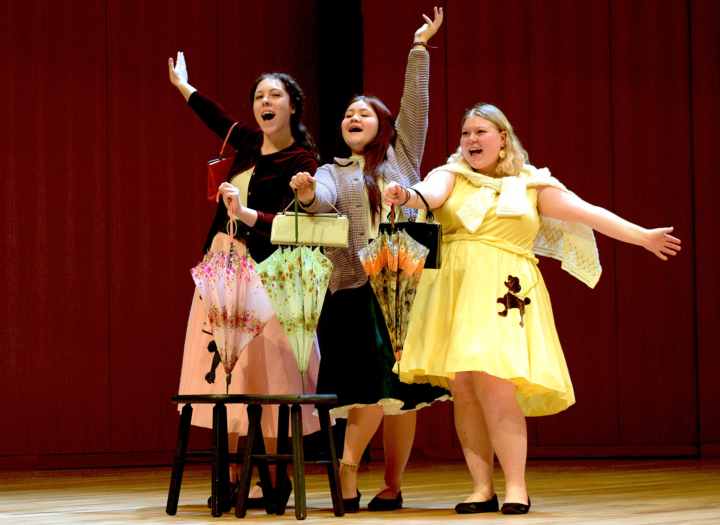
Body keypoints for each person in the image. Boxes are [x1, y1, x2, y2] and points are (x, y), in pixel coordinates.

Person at [383, 102, 681, 515]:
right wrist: (406, 195)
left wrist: (642, 236)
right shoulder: (450, 175)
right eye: (466, 133)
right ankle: (481, 488)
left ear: (503, 138)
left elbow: (590, 213)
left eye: (481, 132)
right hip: (453, 290)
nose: (471, 140)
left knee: (497, 386)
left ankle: (516, 488)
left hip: (504, 291)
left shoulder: (531, 185)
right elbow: (427, 196)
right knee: (465, 389)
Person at [289, 8, 447, 513]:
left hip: (407, 286)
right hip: (357, 288)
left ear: (382, 125)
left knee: (402, 389)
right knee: (372, 384)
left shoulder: (401, 154)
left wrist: (419, 48)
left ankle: (392, 485)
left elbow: (415, 103)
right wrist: (309, 194)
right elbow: (324, 207)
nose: (353, 118)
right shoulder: (330, 169)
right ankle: (351, 464)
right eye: (347, 114)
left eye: (364, 113)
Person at [168, 52, 322, 509]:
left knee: (267, 370)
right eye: (259, 96)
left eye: (275, 95)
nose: (265, 102)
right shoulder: (251, 143)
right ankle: (235, 469)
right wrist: (183, 86)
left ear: (292, 106)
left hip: (267, 270)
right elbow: (218, 117)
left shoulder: (303, 160)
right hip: (224, 261)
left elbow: (293, 225)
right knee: (225, 371)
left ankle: (274, 472)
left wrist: (246, 214)